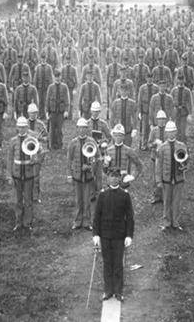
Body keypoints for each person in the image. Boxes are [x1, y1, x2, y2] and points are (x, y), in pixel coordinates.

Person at [92, 168, 135, 302]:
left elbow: (129, 217)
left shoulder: (125, 195)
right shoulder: (102, 195)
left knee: (118, 264)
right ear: (108, 178)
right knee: (107, 263)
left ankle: (118, 291)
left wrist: (129, 235)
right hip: (105, 235)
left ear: (120, 178)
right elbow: (97, 216)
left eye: (117, 176)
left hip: (119, 235)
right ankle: (108, 290)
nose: (114, 179)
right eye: (112, 176)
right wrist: (96, 234)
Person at [5, 117, 38, 231]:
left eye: (24, 127)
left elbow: (40, 153)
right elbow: (10, 159)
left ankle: (28, 223)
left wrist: (36, 159)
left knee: (28, 200)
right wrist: (9, 176)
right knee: (18, 200)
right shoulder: (13, 141)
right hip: (17, 174)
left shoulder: (32, 140)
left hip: (29, 174)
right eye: (20, 127)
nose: (22, 129)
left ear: (27, 128)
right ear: (17, 128)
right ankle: (18, 223)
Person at [156, 121, 188, 231]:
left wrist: (184, 167)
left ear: (176, 132)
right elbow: (158, 165)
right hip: (166, 178)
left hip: (178, 178)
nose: (171, 134)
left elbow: (186, 161)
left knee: (177, 202)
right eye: (169, 132)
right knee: (166, 201)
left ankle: (175, 222)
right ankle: (166, 222)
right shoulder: (162, 148)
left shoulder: (182, 146)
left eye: (172, 131)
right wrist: (158, 180)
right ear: (166, 133)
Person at [67, 118, 98, 230]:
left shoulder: (92, 142)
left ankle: (87, 222)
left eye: (84, 128)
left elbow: (96, 158)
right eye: (80, 128)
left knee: (87, 200)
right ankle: (77, 221)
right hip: (77, 176)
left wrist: (89, 167)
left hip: (88, 176)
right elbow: (69, 160)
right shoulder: (73, 143)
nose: (82, 130)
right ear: (77, 129)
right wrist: (69, 175)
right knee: (78, 200)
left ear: (87, 129)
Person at [147, 110, 168, 204]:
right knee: (156, 177)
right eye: (159, 119)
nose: (161, 121)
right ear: (157, 120)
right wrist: (154, 144)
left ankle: (164, 196)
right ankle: (156, 195)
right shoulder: (154, 130)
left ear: (165, 120)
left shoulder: (169, 130)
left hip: (166, 158)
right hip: (155, 157)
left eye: (163, 119)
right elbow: (149, 144)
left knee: (165, 176)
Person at [45, 69, 70, 150]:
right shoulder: (50, 87)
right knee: (52, 130)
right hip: (52, 112)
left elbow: (67, 100)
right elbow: (47, 100)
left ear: (61, 77)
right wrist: (47, 112)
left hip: (61, 112)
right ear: (53, 77)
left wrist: (66, 110)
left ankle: (60, 145)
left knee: (59, 130)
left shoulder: (64, 87)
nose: (57, 78)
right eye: (56, 77)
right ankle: (52, 145)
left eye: (58, 76)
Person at [172, 72, 192, 143]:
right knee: (176, 130)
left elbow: (189, 103)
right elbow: (171, 102)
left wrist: (190, 114)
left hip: (184, 112)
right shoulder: (174, 90)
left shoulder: (187, 91)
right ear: (177, 80)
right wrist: (171, 113)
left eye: (182, 80)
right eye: (179, 80)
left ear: (184, 80)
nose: (181, 81)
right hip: (176, 112)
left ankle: (183, 145)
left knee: (183, 131)